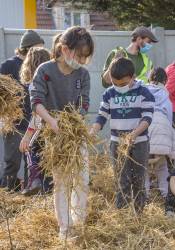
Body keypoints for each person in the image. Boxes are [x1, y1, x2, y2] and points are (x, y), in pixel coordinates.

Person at [30, 26, 94, 240]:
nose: (82, 60)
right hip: (55, 135)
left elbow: (85, 103)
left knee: (82, 180)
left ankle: (79, 225)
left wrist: (76, 120)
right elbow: (36, 101)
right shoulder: (45, 71)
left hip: (75, 134)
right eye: (80, 55)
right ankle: (64, 230)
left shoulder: (82, 74)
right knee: (62, 182)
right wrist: (52, 121)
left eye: (86, 57)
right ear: (65, 49)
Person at [91, 57, 155, 214]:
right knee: (121, 179)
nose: (119, 87)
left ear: (133, 77)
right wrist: (93, 131)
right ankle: (123, 214)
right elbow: (102, 116)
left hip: (139, 142)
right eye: (115, 83)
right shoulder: (109, 94)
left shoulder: (144, 93)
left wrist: (134, 134)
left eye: (123, 84)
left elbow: (147, 118)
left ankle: (139, 213)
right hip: (117, 143)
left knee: (139, 180)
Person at [0, 30, 44, 191]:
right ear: (28, 48)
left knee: (32, 163)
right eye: (37, 48)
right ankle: (7, 196)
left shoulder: (39, 67)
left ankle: (28, 195)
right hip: (14, 123)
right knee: (12, 162)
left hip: (34, 122)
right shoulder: (8, 66)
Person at [145, 67, 175, 199]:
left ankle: (145, 196)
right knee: (162, 166)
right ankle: (166, 194)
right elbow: (169, 118)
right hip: (163, 130)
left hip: (146, 129)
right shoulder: (165, 95)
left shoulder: (143, 91)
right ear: (165, 81)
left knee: (144, 166)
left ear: (149, 79)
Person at [18, 47, 51, 196]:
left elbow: (37, 113)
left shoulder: (34, 83)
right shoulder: (53, 79)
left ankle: (34, 179)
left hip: (42, 125)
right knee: (49, 164)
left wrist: (26, 136)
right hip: (55, 125)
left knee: (30, 148)